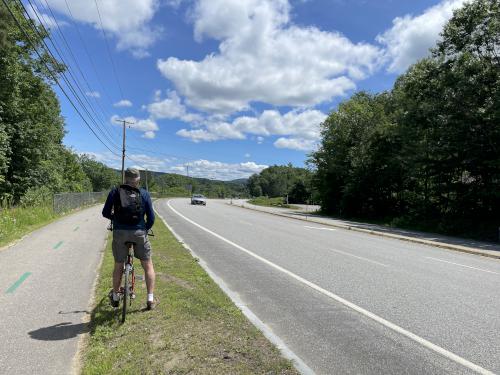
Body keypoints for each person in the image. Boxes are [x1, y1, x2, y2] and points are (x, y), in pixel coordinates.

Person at [102, 167, 157, 310]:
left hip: (120, 232)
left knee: (118, 265)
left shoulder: (115, 191)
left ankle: (115, 295)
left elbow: (105, 213)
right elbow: (151, 217)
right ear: (138, 180)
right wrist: (144, 228)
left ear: (125, 178)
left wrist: (116, 219)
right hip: (139, 232)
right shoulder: (144, 193)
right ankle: (150, 299)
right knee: (148, 265)